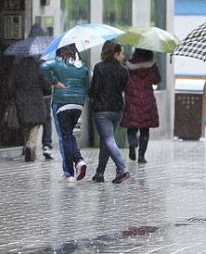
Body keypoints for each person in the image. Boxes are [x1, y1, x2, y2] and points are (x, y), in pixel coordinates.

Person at [41, 44, 89, 182]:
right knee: (68, 135)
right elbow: (86, 85)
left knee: (64, 137)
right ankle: (79, 160)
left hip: (61, 103)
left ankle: (68, 173)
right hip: (77, 105)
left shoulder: (58, 61)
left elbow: (44, 67)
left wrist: (54, 82)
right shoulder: (82, 66)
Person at [90, 40, 130, 184]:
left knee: (108, 140)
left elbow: (93, 90)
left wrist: (91, 96)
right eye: (121, 53)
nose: (123, 56)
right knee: (105, 141)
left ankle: (123, 170)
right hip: (117, 109)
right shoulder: (124, 70)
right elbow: (124, 88)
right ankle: (99, 173)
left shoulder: (99, 68)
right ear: (115, 54)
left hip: (102, 110)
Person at [120, 48, 161, 163]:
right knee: (145, 129)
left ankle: (132, 144)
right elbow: (157, 80)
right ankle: (141, 156)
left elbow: (123, 80)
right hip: (147, 100)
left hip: (132, 98)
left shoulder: (129, 64)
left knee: (132, 126)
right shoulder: (152, 66)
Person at [10, 56, 51, 162]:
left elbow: (11, 85)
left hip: (21, 102)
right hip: (36, 103)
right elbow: (46, 86)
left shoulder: (17, 68)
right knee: (34, 127)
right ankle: (30, 146)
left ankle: (27, 147)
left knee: (25, 126)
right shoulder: (38, 68)